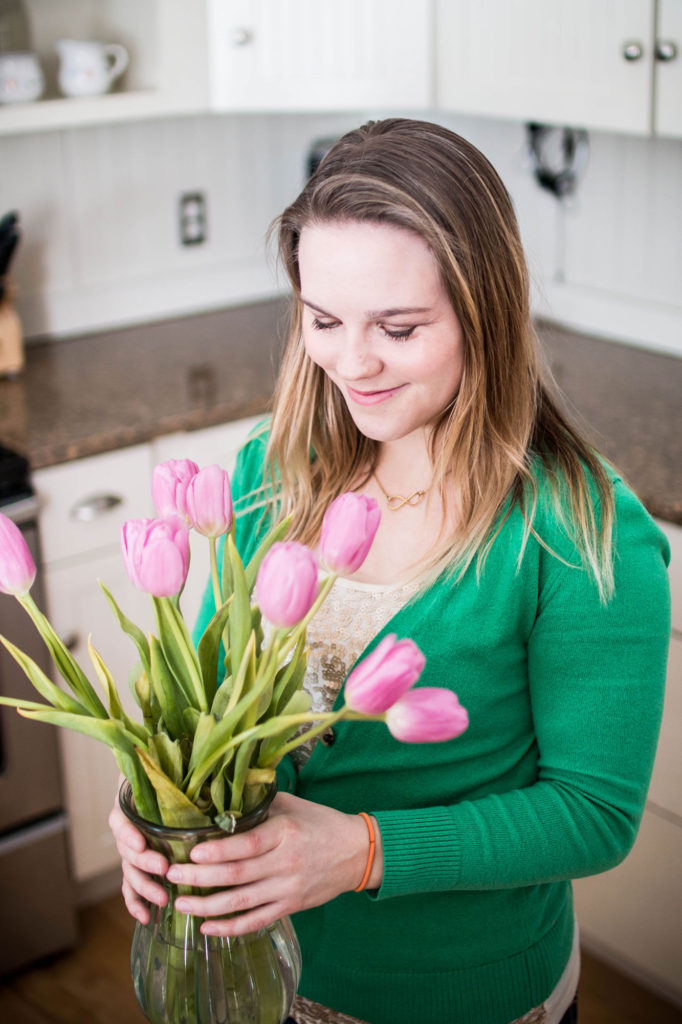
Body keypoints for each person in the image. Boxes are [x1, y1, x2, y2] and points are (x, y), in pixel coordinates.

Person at [109, 118, 671, 1024]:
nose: (352, 363)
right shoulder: (270, 471)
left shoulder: (583, 536)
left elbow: (591, 815)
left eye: (399, 328)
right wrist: (151, 805)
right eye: (324, 320)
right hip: (268, 971)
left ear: (486, 313)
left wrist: (358, 853)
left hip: (463, 991)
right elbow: (207, 701)